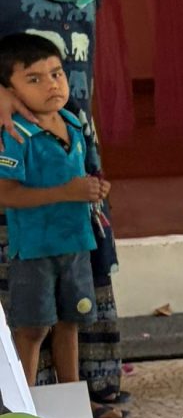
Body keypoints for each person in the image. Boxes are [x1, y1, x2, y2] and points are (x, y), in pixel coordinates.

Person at [0, 0, 128, 418]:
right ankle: (19, 403)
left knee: (76, 247)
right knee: (24, 255)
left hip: (71, 119)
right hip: (11, 128)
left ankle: (80, 393)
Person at [0, 34, 109, 395]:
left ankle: (70, 400)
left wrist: (94, 189)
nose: (51, 85)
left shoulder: (73, 123)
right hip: (35, 249)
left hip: (75, 242)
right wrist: (66, 193)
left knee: (71, 321)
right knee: (32, 328)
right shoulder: (15, 134)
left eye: (57, 74)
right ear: (10, 92)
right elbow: (5, 193)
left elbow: (80, 176)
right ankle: (23, 405)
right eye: (34, 79)